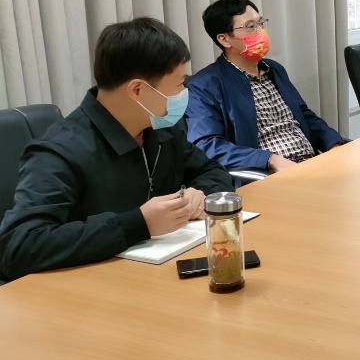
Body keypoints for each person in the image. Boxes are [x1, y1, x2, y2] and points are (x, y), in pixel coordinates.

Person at [0, 18, 233, 282]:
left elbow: (213, 170)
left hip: (161, 273)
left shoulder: (159, 128)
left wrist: (200, 193)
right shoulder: (58, 152)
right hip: (92, 288)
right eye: (180, 84)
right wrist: (139, 224)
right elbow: (18, 247)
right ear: (137, 90)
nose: (184, 92)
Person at [186, 0, 346, 173]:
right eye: (250, 26)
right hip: (267, 174)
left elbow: (304, 115)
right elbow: (207, 145)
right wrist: (269, 159)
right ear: (225, 39)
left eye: (260, 23)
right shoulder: (204, 85)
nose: (260, 31)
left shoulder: (274, 69)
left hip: (310, 164)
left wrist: (334, 143)